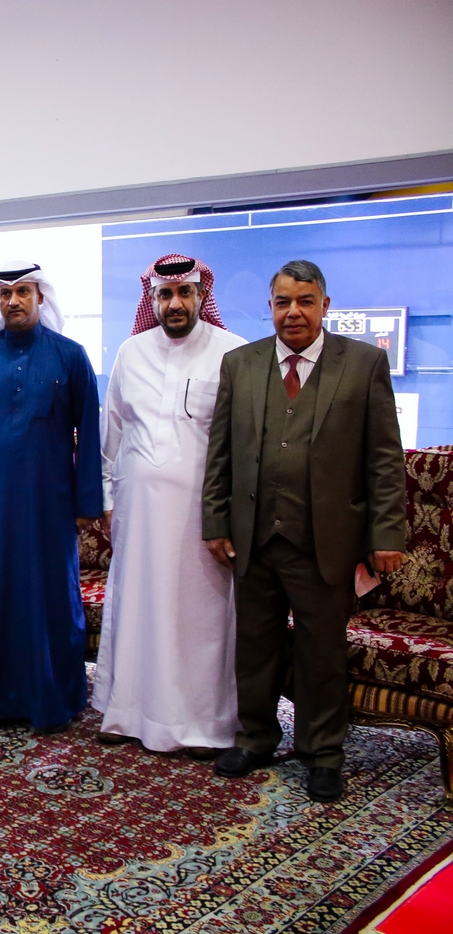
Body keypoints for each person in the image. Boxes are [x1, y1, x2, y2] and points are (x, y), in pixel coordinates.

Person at [203, 260, 406, 802]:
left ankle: (323, 753)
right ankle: (256, 738)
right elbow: (220, 454)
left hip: (326, 540)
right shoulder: (240, 364)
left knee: (321, 653)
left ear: (324, 305)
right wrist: (216, 522)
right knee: (255, 646)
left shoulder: (363, 363)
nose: (293, 312)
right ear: (270, 307)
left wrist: (387, 534)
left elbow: (385, 460)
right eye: (282, 302)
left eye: (305, 301)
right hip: (253, 537)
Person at [92, 255, 247, 757]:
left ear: (202, 295)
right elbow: (112, 434)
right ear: (152, 299)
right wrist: (108, 499)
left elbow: (244, 444)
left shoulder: (233, 352)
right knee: (136, 608)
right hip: (137, 511)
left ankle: (202, 725)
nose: (174, 303)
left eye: (184, 292)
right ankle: (126, 713)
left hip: (202, 516)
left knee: (199, 620)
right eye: (164, 294)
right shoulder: (131, 352)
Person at [0, 262, 102, 732]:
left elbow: (89, 433)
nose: (13, 300)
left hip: (49, 503)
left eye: (23, 291)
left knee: (49, 595)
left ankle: (52, 698)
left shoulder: (70, 356)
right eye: (5, 293)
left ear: (40, 297)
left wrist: (87, 504)